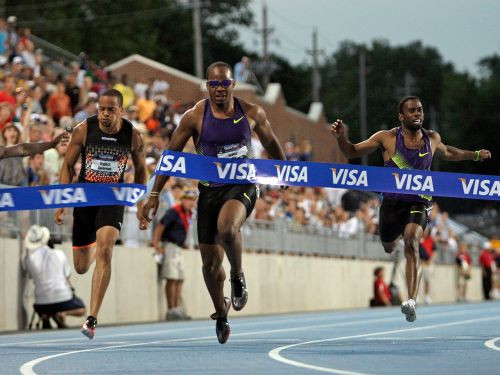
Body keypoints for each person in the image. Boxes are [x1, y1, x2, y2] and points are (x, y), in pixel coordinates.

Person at [141, 61, 286, 344]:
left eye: (225, 83)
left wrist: (284, 169)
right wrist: (155, 193)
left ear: (233, 84)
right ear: (207, 86)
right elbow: (171, 157)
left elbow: (270, 142)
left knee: (228, 228)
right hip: (209, 191)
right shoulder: (195, 116)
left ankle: (238, 275)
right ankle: (221, 313)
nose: (219, 89)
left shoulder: (252, 112)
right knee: (209, 265)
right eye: (214, 84)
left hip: (243, 184)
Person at [331, 96, 491, 322]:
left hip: (419, 202)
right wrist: (341, 138)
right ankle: (394, 242)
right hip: (391, 205)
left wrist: (474, 155)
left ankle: (411, 301)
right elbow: (352, 151)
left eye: (420, 110)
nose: (418, 114)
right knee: (388, 246)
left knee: (412, 238)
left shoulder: (432, 138)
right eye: (412, 111)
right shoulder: (386, 138)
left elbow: (449, 153)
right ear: (402, 116)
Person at [54, 89, 147, 339]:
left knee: (106, 249)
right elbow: (66, 167)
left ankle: (92, 318)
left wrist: (139, 203)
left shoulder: (133, 135)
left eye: (111, 109)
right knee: (82, 266)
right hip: (85, 198)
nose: (105, 114)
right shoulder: (84, 130)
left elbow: (141, 172)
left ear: (121, 110)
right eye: (102, 109)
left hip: (113, 197)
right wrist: (62, 198)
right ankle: (97, 241)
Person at [23, 225, 86, 329]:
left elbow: (30, 276)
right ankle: (62, 313)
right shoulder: (58, 253)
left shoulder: (28, 259)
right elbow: (67, 274)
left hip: (41, 303)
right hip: (63, 298)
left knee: (44, 308)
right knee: (82, 308)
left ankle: (46, 316)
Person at [152, 189, 197, 321]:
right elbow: (161, 225)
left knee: (179, 279)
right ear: (182, 200)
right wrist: (156, 244)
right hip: (170, 246)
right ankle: (171, 309)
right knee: (171, 278)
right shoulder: (174, 211)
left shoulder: (189, 214)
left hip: (179, 248)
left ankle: (177, 308)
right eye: (187, 199)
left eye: (192, 200)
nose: (190, 202)